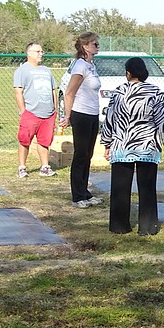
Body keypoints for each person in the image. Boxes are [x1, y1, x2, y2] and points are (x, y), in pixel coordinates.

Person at [101, 57, 164, 235]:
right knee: (147, 188)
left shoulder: (118, 92)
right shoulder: (156, 93)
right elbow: (162, 121)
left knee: (120, 188)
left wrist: (106, 143)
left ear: (128, 72)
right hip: (147, 145)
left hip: (121, 144)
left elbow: (109, 119)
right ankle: (148, 227)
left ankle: (118, 225)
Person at [61, 31, 104, 207]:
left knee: (88, 154)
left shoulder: (90, 65)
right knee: (80, 155)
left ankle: (85, 193)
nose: (97, 46)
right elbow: (69, 92)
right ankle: (77, 196)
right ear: (85, 46)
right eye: (95, 44)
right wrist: (68, 115)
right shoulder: (80, 66)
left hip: (93, 114)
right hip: (81, 115)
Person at [13, 42, 59, 178]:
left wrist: (55, 110)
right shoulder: (22, 70)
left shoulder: (46, 70)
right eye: (38, 51)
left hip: (48, 113)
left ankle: (45, 166)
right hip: (31, 112)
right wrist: (23, 111)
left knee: (45, 141)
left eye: (42, 51)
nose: (41, 54)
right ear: (29, 53)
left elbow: (53, 91)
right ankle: (22, 167)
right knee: (24, 140)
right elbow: (18, 91)